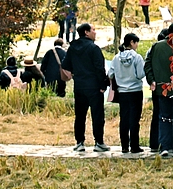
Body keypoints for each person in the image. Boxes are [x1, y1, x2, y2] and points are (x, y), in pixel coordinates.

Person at [62, 22, 110, 152]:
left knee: (80, 116)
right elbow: (99, 68)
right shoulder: (94, 48)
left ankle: (80, 142)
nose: (95, 32)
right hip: (94, 86)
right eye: (93, 30)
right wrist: (103, 84)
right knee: (97, 115)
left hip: (79, 85)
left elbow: (65, 65)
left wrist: (75, 74)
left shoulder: (72, 48)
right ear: (86, 33)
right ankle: (99, 142)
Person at [146, 22, 173, 157]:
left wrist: (152, 80)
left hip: (161, 88)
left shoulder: (156, 46)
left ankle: (164, 146)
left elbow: (147, 64)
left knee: (163, 117)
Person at [114, 33, 147, 155]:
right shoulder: (137, 57)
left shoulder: (116, 58)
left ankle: (124, 146)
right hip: (135, 91)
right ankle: (134, 146)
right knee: (134, 119)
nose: (137, 45)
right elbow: (140, 74)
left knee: (124, 118)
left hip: (122, 92)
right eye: (136, 42)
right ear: (132, 42)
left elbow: (111, 73)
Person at [147, 26, 170, 152]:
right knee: (165, 115)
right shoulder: (164, 49)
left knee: (157, 115)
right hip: (165, 87)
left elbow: (147, 66)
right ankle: (165, 143)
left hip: (156, 86)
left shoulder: (152, 49)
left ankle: (155, 143)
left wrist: (151, 80)